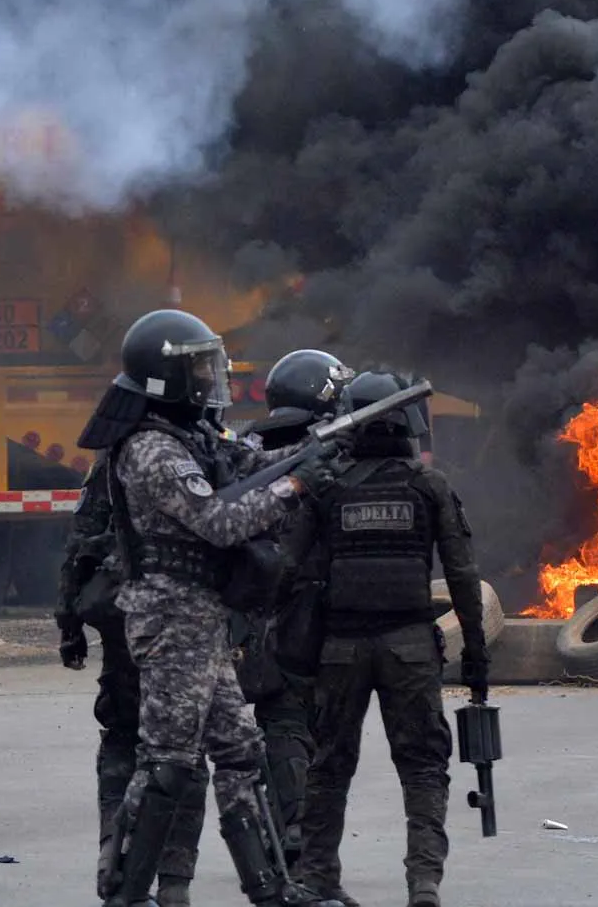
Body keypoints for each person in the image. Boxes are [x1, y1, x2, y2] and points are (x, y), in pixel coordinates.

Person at [88, 308, 352, 907]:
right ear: (168, 377)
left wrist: (312, 453)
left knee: (240, 751)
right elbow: (221, 521)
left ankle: (272, 888)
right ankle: (123, 889)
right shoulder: (153, 450)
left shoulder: (192, 439)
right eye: (200, 368)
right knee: (169, 763)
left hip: (200, 617)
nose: (211, 379)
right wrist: (296, 487)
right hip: (171, 617)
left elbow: (245, 464)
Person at [292, 372, 489, 907]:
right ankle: (423, 884)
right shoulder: (429, 486)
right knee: (424, 768)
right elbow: (463, 575)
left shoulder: (329, 488)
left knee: (328, 767)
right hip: (410, 649)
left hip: (339, 650)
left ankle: (318, 880)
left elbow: (295, 570)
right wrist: (476, 653)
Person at [57, 454, 208, 907]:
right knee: (187, 752)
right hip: (188, 620)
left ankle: (117, 863)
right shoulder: (200, 456)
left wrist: (69, 625)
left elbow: (80, 546)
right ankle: (174, 879)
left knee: (124, 742)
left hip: (126, 617)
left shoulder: (113, 463)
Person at [238, 349, 355, 867]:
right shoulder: (331, 454)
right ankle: (301, 830)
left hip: (261, 608)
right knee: (307, 723)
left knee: (281, 718)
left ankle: (289, 824)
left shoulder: (244, 449)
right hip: (321, 607)